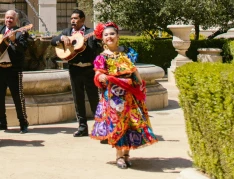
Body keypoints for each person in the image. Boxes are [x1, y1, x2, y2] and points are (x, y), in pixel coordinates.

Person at [91, 22, 157, 168]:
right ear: (102, 39)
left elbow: (134, 71)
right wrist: (103, 77)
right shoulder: (102, 57)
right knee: (117, 124)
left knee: (131, 124)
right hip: (114, 98)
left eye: (112, 34)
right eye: (106, 35)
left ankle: (127, 155)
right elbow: (98, 75)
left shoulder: (126, 54)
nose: (109, 37)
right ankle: (119, 156)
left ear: (118, 36)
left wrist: (140, 86)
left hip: (131, 95)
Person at [52, 9, 101, 137]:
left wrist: (92, 43)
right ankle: (82, 127)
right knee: (78, 98)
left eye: (76, 18)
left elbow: (98, 49)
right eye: (71, 18)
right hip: (74, 69)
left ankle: (100, 127)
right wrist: (62, 38)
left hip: (89, 69)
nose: (73, 21)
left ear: (83, 20)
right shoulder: (67, 32)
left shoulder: (91, 32)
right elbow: (53, 41)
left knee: (94, 98)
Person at [0, 10, 29, 133]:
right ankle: (2, 122)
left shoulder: (21, 32)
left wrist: (14, 41)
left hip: (14, 69)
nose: (9, 20)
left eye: (11, 18)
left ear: (16, 20)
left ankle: (23, 123)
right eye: (7, 18)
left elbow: (23, 49)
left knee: (18, 97)